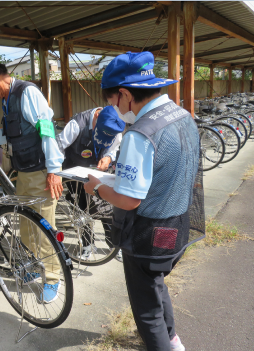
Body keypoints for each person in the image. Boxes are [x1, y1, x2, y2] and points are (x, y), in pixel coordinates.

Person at [84, 51, 204, 351]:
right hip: (178, 225)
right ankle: (174, 341)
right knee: (157, 285)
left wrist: (97, 188)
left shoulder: (141, 133)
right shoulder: (182, 115)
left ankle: (164, 344)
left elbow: (127, 200)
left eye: (114, 102)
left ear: (125, 94)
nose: (116, 109)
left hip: (147, 235)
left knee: (146, 312)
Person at [0, 57, 64, 303]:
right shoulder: (8, 100)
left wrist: (54, 169)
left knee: (44, 229)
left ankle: (52, 277)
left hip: (41, 172)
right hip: (24, 172)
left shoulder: (27, 92)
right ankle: (32, 265)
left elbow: (46, 128)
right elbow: (9, 133)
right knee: (27, 226)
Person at [57, 105, 125, 259]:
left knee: (105, 208)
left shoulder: (115, 125)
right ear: (96, 116)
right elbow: (59, 145)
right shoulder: (77, 124)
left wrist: (108, 157)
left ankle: (113, 246)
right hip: (74, 174)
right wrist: (57, 173)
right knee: (81, 212)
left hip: (99, 173)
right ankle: (87, 246)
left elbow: (113, 148)